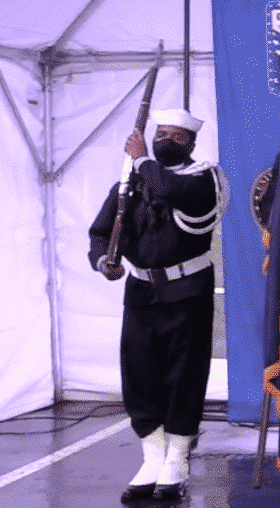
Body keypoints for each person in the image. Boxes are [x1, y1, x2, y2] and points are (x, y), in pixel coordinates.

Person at [88, 108, 228, 502]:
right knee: (140, 373)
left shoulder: (204, 177)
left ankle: (177, 459)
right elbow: (99, 232)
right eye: (160, 133)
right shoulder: (130, 183)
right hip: (142, 292)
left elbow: (170, 191)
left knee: (183, 375)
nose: (166, 140)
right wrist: (104, 261)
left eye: (176, 136)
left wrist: (142, 158)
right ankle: (152, 457)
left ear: (192, 144)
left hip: (187, 290)